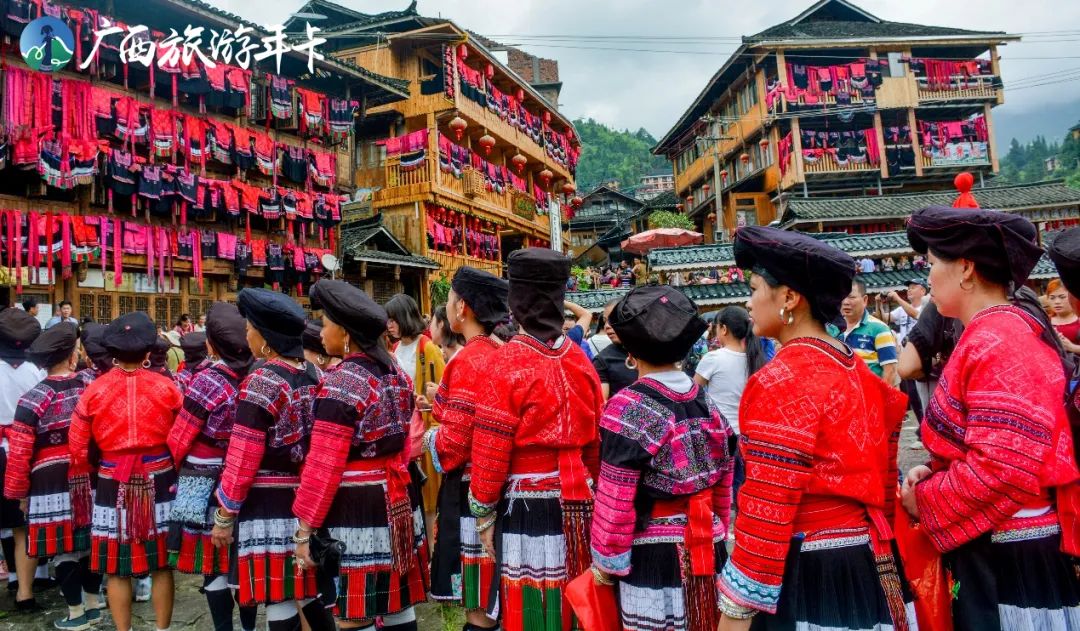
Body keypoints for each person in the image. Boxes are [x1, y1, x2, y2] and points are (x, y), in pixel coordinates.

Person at [717, 227, 912, 630]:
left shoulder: (783, 379)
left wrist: (735, 616)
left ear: (788, 297)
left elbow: (767, 508)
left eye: (754, 289)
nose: (748, 303)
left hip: (810, 569)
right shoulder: (854, 368)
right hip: (866, 560)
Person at [901, 206, 1080, 630]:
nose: (927, 279)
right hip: (1004, 545)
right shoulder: (995, 332)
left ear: (964, 269)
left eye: (931, 265)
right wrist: (937, 468)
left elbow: (1003, 468)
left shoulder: (998, 340)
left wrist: (923, 500)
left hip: (1012, 553)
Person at [468, 248, 604, 631]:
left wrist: (483, 515)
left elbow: (491, 450)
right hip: (581, 499)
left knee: (533, 608)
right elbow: (594, 446)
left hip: (528, 506)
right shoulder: (580, 360)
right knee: (576, 601)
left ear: (517, 300)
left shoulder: (505, 363)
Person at [591, 286, 734, 631]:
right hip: (709, 543)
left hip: (654, 554)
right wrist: (721, 524)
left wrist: (607, 561)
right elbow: (725, 482)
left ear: (631, 353)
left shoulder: (628, 407)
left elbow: (616, 496)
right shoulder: (707, 403)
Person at [293, 280, 428, 630]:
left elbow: (323, 464)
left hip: (357, 507)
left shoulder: (342, 382)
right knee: (397, 604)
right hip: (397, 498)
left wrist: (305, 530)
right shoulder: (396, 373)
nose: (321, 331)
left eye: (326, 323)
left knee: (355, 614)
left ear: (347, 333)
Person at [209, 288, 333, 631]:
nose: (245, 334)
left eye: (250, 328)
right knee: (306, 591)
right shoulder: (314, 374)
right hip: (305, 499)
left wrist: (225, 513)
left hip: (267, 503)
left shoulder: (260, 382)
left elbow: (243, 456)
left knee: (277, 592)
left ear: (265, 340)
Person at [69, 312, 183, 631]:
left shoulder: (94, 391)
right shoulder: (167, 388)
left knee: (116, 568)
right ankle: (162, 629)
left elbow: (77, 445)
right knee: (160, 564)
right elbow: (181, 436)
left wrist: (94, 466)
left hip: (111, 478)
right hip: (159, 477)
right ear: (149, 352)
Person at [423, 267, 508, 623]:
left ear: (463, 309)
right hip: (503, 483)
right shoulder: (500, 350)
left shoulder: (469, 359)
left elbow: (454, 443)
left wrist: (429, 438)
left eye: (450, 299)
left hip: (473, 488)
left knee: (478, 605)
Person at [5, 323, 104, 629]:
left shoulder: (33, 399)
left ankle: (76, 613)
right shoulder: (90, 389)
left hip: (48, 483)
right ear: (72, 357)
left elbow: (20, 451)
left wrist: (19, 492)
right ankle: (92, 604)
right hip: (89, 475)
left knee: (63, 548)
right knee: (88, 543)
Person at [167, 303, 257, 631]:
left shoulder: (207, 381)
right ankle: (249, 627)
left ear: (211, 346)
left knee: (212, 560)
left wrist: (177, 467)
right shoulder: (259, 375)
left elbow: (181, 434)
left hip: (202, 476)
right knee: (242, 555)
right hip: (248, 474)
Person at [694, 305, 766, 503]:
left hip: (718, 434)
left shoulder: (713, 358)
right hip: (747, 434)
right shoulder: (757, 359)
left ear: (723, 329)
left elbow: (693, 392)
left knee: (719, 489)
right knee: (741, 487)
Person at [0, 308, 44, 611]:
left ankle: (14, 577)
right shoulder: (37, 372)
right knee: (22, 527)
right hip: (22, 452)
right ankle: (24, 592)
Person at [385, 293, 445, 516]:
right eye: (388, 320)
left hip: (425, 431)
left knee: (428, 497)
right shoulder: (396, 349)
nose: (389, 325)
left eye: (394, 319)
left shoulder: (428, 349)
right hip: (406, 432)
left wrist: (425, 402)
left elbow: (441, 392)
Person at [838, 277, 899, 384]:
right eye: (842, 296)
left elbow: (890, 371)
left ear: (865, 300)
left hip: (870, 396)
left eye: (851, 297)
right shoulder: (833, 329)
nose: (845, 302)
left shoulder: (879, 329)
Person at [591, 299, 637, 400]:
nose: (607, 326)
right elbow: (602, 403)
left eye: (613, 319)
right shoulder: (602, 360)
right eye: (605, 321)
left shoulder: (653, 350)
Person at [877, 279, 930, 345]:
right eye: (908, 289)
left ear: (923, 291)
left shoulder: (928, 308)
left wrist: (897, 298)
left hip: (921, 349)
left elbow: (916, 315)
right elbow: (883, 318)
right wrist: (878, 303)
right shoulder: (902, 309)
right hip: (904, 349)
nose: (909, 290)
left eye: (913, 288)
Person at [1047, 278, 1080, 353]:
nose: (1057, 302)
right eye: (1052, 298)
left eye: (1062, 297)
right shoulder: (1044, 320)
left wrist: (1072, 347)